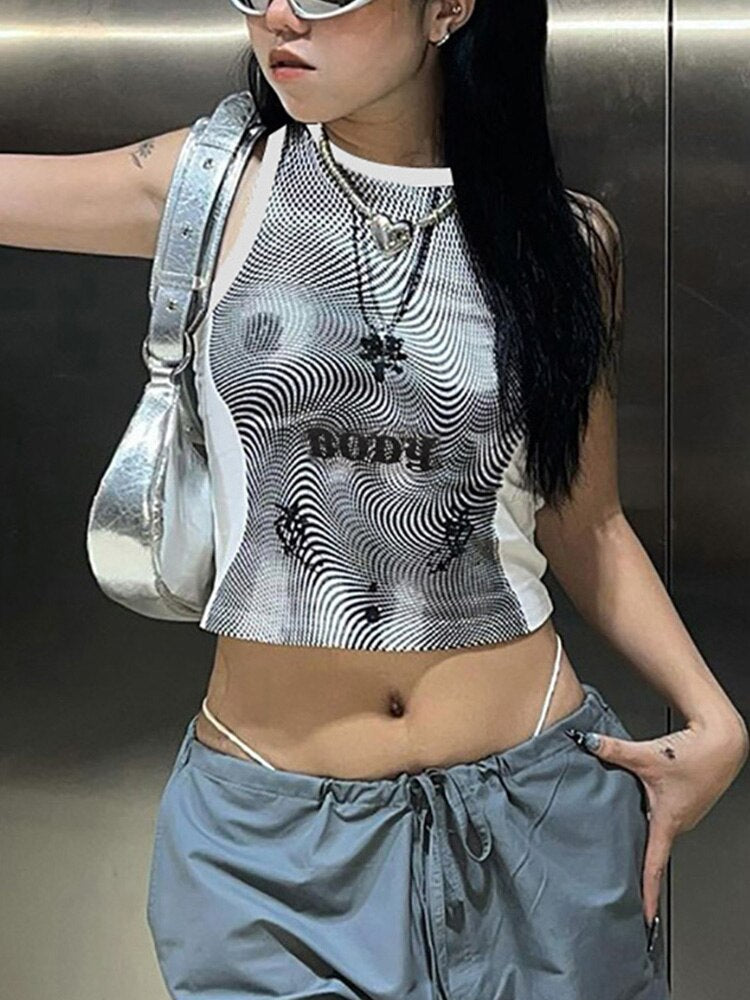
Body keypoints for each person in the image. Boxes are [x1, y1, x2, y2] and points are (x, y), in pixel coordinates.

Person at [2, 1, 746, 998]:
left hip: (534, 812)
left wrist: (714, 717)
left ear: (449, 8)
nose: (279, 15)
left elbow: (585, 518)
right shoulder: (211, 188)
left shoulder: (564, 241)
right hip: (272, 849)